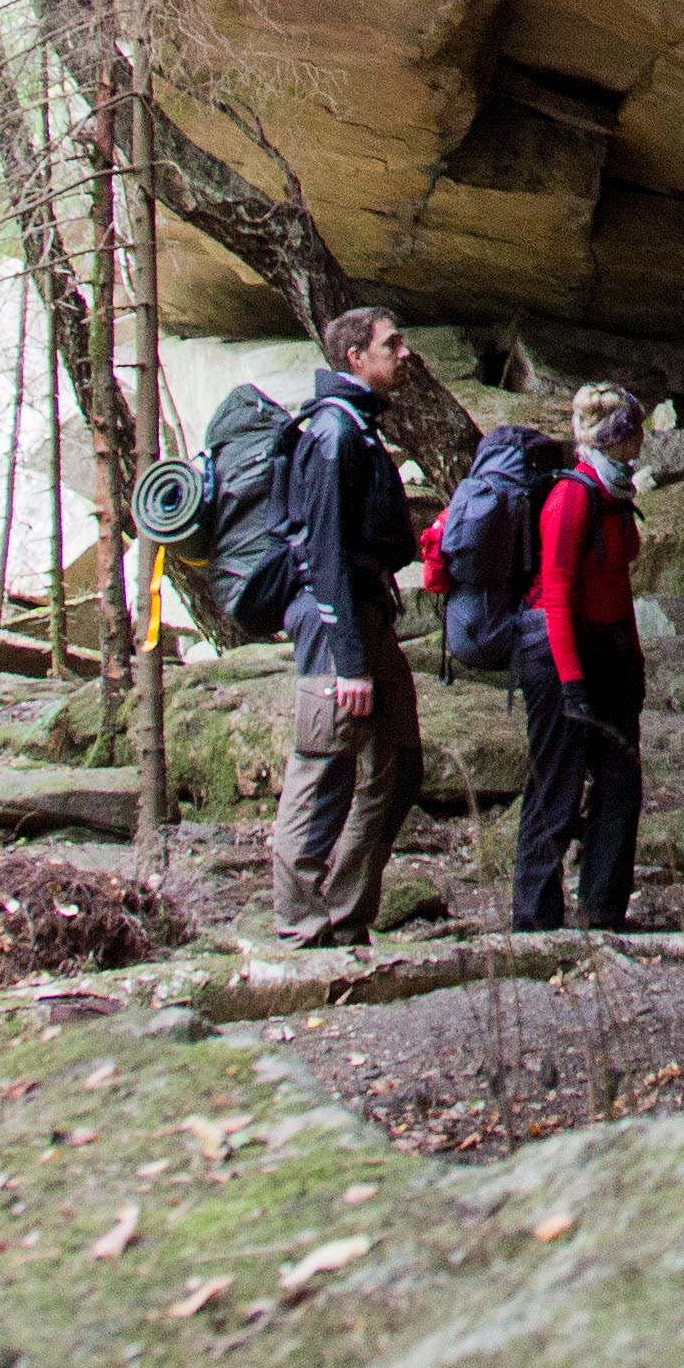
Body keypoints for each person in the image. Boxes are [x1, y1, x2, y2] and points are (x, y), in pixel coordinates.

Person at [272, 306, 424, 947]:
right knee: (325, 769)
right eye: (393, 343)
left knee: (400, 768)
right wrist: (349, 662)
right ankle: (303, 930)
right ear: (356, 358)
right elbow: (322, 552)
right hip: (337, 622)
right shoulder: (333, 434)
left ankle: (344, 917)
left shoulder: (356, 428)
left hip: (366, 614)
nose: (405, 352)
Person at [510, 383, 647, 932]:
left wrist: (632, 663)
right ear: (616, 438)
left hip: (609, 649)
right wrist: (571, 683)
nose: (640, 442)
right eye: (634, 432)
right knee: (557, 785)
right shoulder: (573, 496)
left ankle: (602, 911)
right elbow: (557, 592)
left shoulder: (616, 493)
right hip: (559, 653)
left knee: (620, 781)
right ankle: (534, 919)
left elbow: (616, 581)